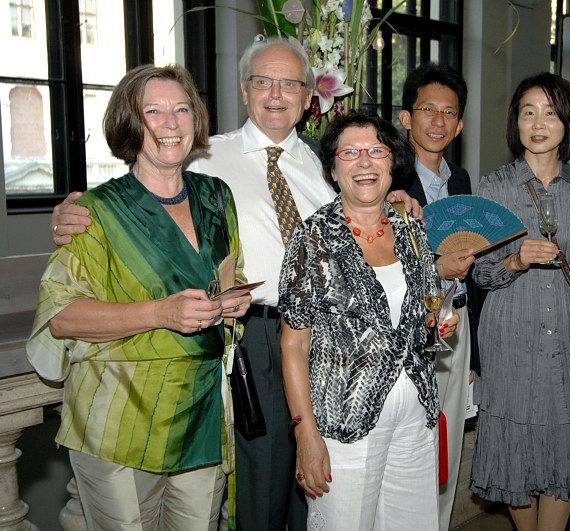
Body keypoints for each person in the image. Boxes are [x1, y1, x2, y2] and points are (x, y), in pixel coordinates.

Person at [48, 36, 421, 531]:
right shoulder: (203, 158)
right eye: (263, 81)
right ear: (244, 91)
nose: (275, 94)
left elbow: (362, 209)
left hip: (333, 340)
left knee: (324, 481)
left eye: (289, 83)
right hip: (253, 336)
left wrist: (394, 198)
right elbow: (141, 183)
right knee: (259, 486)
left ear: (309, 97)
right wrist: (70, 212)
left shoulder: (330, 163)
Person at [26, 64, 251, 530]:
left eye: (182, 110)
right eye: (154, 111)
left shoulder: (216, 197)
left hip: (201, 410)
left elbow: (231, 275)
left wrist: (233, 302)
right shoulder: (94, 212)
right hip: (120, 417)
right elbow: (61, 317)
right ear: (129, 123)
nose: (171, 123)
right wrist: (161, 312)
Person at [279, 112, 460, 530]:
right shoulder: (313, 239)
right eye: (350, 153)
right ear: (332, 168)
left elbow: (423, 314)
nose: (364, 162)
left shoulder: (411, 229)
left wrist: (436, 325)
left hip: (415, 415)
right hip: (344, 422)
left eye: (377, 151)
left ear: (392, 162)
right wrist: (305, 435)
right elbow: (293, 344)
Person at [469, 73, 570, 531]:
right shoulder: (494, 187)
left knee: (564, 449)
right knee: (514, 449)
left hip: (568, 336)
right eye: (528, 112)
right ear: (516, 122)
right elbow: (480, 274)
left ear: (568, 122)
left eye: (550, 113)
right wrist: (515, 260)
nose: (539, 123)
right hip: (510, 336)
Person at [398, 62, 482, 531]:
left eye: (448, 112)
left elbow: (474, 271)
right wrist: (433, 267)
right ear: (406, 117)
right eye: (427, 109)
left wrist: (475, 354)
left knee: (448, 444)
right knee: (411, 440)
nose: (437, 121)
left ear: (460, 124)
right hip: (412, 325)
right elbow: (376, 264)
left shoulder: (461, 181)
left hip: (457, 324)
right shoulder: (387, 181)